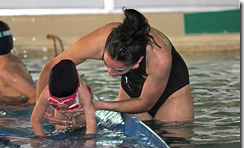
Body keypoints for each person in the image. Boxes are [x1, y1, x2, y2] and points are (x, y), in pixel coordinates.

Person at [37, 8, 194, 123]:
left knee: (173, 139)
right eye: (106, 63)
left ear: (138, 62)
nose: (110, 73)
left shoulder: (159, 57)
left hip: (172, 94)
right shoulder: (100, 40)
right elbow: (51, 66)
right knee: (130, 141)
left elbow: (146, 103)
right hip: (132, 88)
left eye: (119, 70)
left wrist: (98, 104)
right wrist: (41, 104)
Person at [31, 59, 96, 136]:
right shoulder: (46, 93)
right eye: (55, 102)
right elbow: (35, 119)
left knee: (81, 126)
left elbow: (91, 122)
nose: (61, 105)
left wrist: (88, 140)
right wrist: (41, 138)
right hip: (64, 107)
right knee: (61, 131)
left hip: (80, 105)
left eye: (67, 101)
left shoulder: (83, 93)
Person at [0, 21, 36, 105]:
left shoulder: (6, 72)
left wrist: (16, 112)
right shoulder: (10, 60)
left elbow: (36, 95)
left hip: (15, 109)